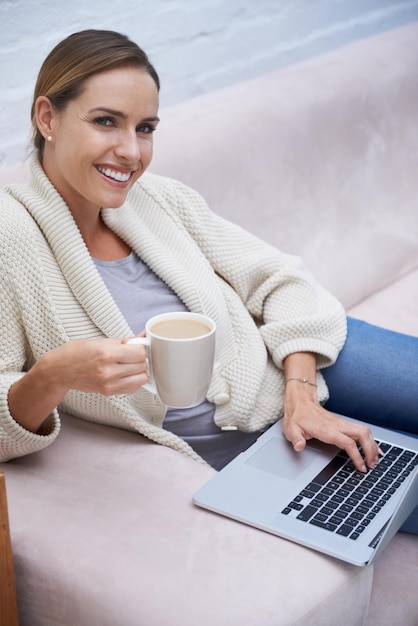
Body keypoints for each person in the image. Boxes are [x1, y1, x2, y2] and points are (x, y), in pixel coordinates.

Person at [0, 30, 417, 534]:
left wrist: (301, 393)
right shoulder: (11, 238)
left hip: (303, 360)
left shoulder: (159, 197)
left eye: (146, 127)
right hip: (259, 448)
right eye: (106, 121)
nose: (131, 152)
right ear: (48, 117)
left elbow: (283, 278)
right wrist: (54, 374)